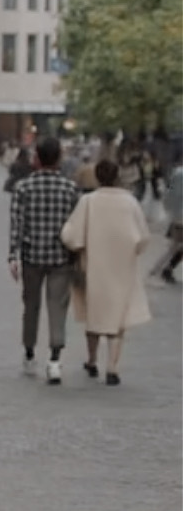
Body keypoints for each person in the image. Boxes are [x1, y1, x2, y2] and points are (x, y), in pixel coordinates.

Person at [61, 161, 153, 386]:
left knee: (95, 315)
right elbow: (143, 237)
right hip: (122, 265)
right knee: (118, 318)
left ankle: (92, 360)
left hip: (93, 264)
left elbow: (71, 236)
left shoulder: (88, 201)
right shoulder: (130, 202)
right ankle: (112, 366)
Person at [9, 136, 82, 385]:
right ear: (59, 157)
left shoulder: (23, 187)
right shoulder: (70, 189)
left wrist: (13, 256)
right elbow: (76, 226)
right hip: (61, 257)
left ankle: (29, 353)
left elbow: (16, 225)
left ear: (36, 158)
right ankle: (54, 360)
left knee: (31, 306)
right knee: (57, 307)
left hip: (31, 255)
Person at [156, 158, 183, 285]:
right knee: (175, 246)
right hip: (180, 216)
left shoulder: (178, 173)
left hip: (178, 215)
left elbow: (169, 196)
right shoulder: (179, 174)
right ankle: (160, 270)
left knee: (176, 246)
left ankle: (164, 270)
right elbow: (172, 195)